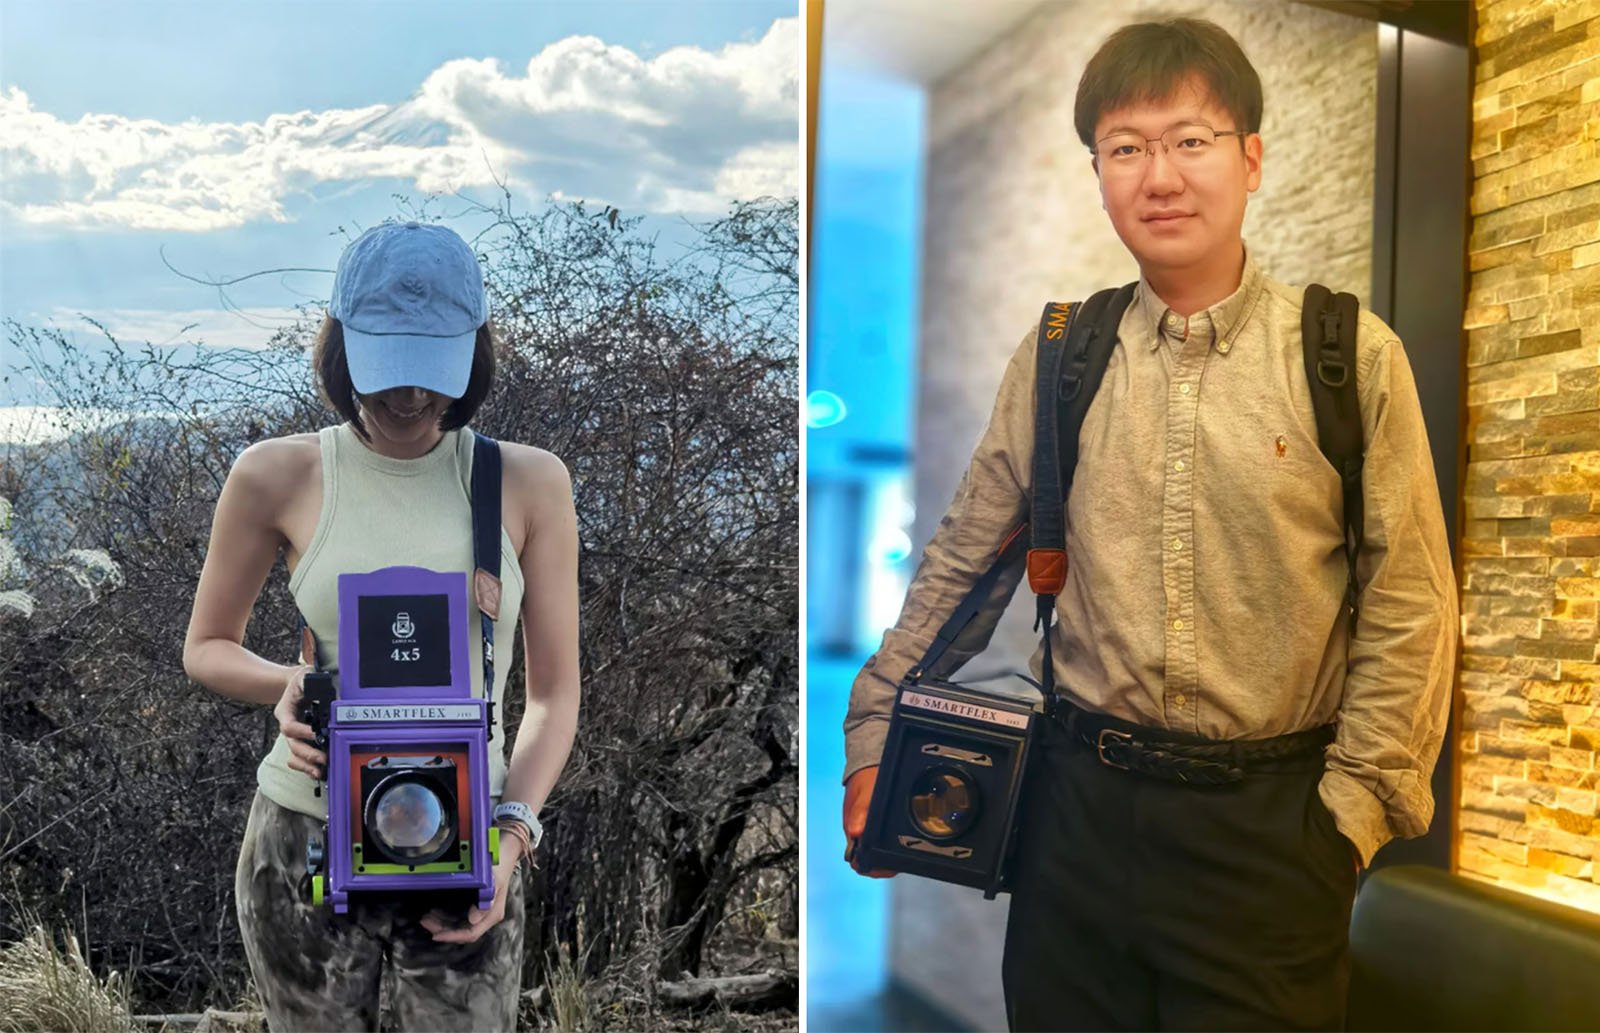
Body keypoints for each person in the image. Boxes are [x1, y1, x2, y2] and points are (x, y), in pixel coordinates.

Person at [841, 16, 1457, 1032]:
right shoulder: (1058, 358)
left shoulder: (1348, 355)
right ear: (1098, 173)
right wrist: (873, 724)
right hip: (1074, 819)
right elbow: (962, 561)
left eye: (1189, 140)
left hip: (1271, 834)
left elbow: (1409, 605)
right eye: (1124, 149)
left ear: (1250, 159)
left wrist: (1345, 821)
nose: (1158, 175)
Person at [183, 221, 581, 1032]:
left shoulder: (528, 482)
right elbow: (206, 647)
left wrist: (511, 840)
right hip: (304, 839)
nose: (407, 397)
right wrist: (290, 684)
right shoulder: (276, 473)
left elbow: (554, 694)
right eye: (386, 369)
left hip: (472, 844)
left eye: (429, 371)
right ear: (338, 347)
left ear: (474, 352)